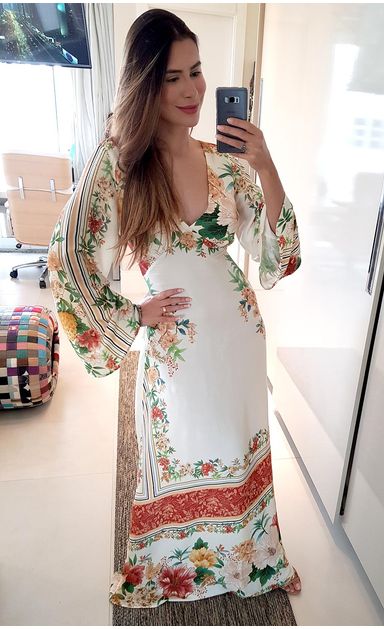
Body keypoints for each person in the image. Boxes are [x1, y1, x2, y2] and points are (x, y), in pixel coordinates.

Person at [48, 8, 302, 609]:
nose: (193, 90)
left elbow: (278, 256)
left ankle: (255, 558)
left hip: (239, 339)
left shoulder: (227, 163)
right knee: (182, 447)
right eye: (172, 77)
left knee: (237, 446)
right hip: (178, 350)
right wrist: (133, 314)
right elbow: (68, 257)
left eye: (197, 71)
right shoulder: (120, 165)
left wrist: (266, 166)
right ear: (145, 85)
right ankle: (170, 568)